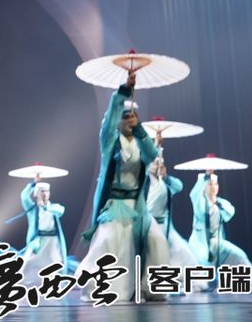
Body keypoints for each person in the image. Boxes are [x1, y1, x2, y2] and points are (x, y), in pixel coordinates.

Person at [75, 71, 169, 302]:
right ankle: (105, 287)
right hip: (115, 205)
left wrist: (140, 130)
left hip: (138, 206)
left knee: (157, 240)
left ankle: (151, 288)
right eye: (125, 116)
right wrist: (125, 90)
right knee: (110, 240)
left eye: (133, 116)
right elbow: (108, 122)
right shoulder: (110, 141)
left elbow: (152, 154)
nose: (129, 119)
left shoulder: (141, 142)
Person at [145, 143, 199, 273]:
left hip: (166, 227)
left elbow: (179, 186)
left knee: (185, 255)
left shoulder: (165, 182)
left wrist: (165, 177)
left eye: (160, 163)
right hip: (149, 227)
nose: (157, 165)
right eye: (155, 163)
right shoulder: (144, 182)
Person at [189, 171, 252, 271]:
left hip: (217, 242)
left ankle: (251, 277)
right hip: (200, 243)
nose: (213, 187)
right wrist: (206, 176)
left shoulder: (220, 202)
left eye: (215, 184)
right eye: (210, 184)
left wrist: (217, 202)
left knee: (239, 256)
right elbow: (194, 194)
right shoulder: (200, 202)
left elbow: (229, 213)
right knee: (205, 268)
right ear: (204, 186)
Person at [18, 176, 69, 285]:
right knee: (27, 262)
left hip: (52, 241)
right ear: (37, 194)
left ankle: (56, 285)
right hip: (38, 241)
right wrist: (33, 183)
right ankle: (15, 282)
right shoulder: (32, 209)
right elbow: (24, 197)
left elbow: (60, 211)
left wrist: (46, 207)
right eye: (42, 191)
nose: (45, 194)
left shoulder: (54, 207)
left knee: (56, 262)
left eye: (47, 191)